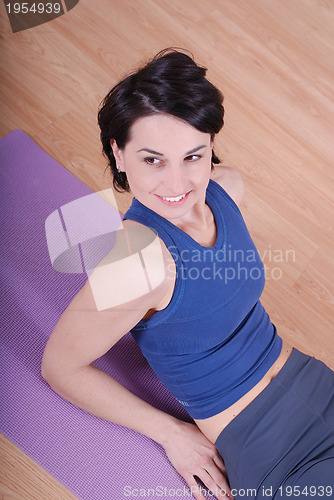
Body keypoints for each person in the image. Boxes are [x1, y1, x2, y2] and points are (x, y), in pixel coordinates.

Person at [42, 49, 334, 500]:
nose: (178, 185)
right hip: (270, 448)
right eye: (153, 160)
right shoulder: (136, 262)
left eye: (192, 156)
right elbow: (60, 367)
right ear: (119, 155)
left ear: (210, 148)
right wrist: (171, 433)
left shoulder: (227, 189)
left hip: (318, 385)